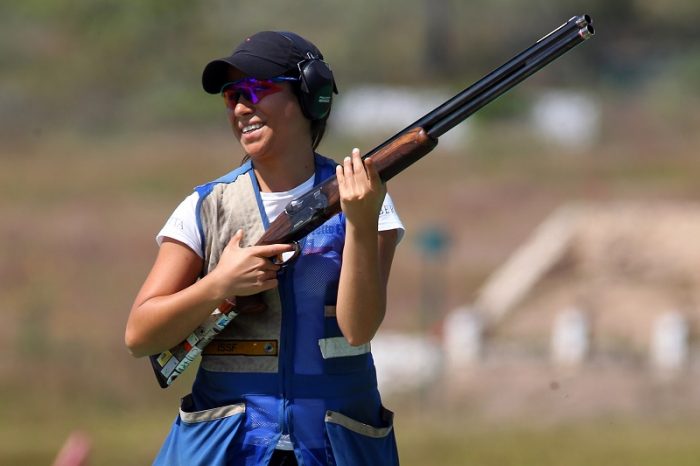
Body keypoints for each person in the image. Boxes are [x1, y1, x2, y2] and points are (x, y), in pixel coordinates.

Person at [125, 30, 404, 465]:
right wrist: (220, 283)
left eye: (257, 89)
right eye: (232, 95)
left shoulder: (365, 199)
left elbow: (358, 328)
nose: (241, 107)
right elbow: (140, 335)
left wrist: (361, 224)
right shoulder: (207, 205)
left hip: (335, 447)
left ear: (311, 96)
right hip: (227, 450)